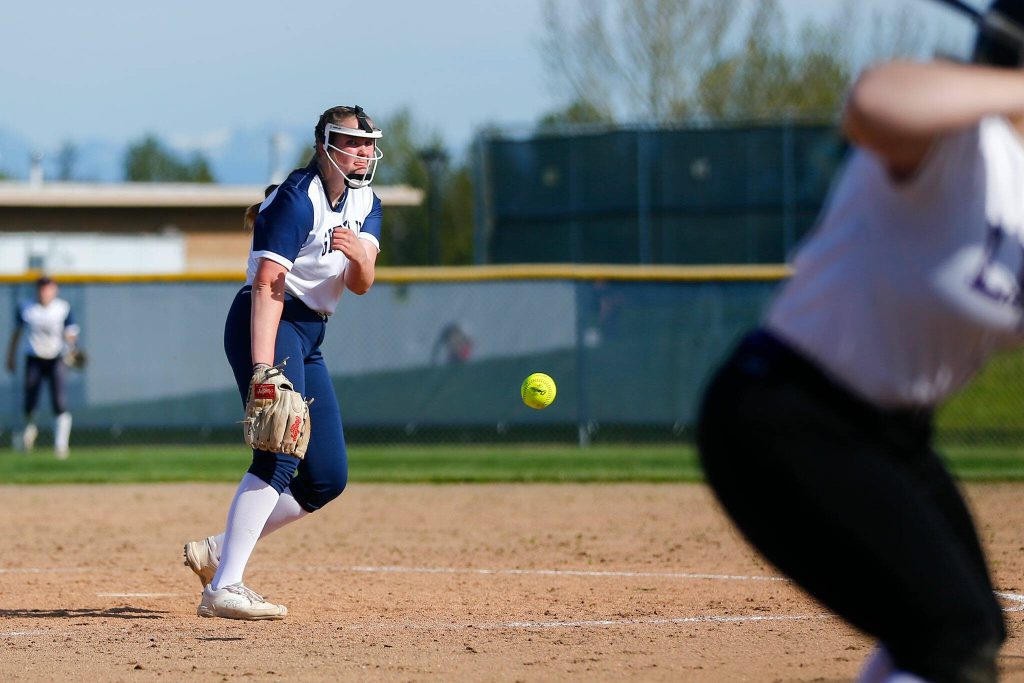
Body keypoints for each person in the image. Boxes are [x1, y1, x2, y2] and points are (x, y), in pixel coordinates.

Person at [697, 3, 1024, 681]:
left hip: (891, 437)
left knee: (966, 630)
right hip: (784, 412)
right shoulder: (956, 135)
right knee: (950, 632)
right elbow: (872, 102)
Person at [183, 105, 385, 620]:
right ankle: (224, 586)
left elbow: (361, 283)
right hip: (271, 322)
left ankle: (219, 550)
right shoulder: (297, 201)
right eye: (352, 141)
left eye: (368, 142)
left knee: (326, 478)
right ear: (325, 144)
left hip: (311, 332)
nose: (363, 151)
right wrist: (262, 371)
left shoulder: (368, 202)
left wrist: (360, 256)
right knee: (279, 450)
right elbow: (268, 290)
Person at [5, 276, 79, 459]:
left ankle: (60, 446)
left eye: (48, 288)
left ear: (55, 290)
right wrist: (10, 357)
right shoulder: (27, 308)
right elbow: (16, 333)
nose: (44, 292)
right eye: (41, 288)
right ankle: (29, 432)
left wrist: (72, 350)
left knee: (59, 402)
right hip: (34, 358)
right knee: (30, 402)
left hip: (56, 358)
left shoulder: (62, 308)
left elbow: (70, 334)